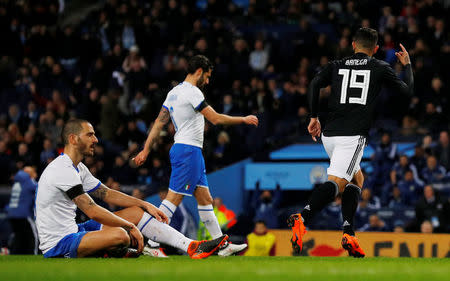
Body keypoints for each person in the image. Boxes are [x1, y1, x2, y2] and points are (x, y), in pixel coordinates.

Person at [288, 27, 413, 258]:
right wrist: (407, 65)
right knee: (337, 182)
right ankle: (303, 217)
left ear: (354, 45)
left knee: (357, 178)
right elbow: (407, 93)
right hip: (352, 137)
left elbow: (315, 84)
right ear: (375, 49)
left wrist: (314, 116)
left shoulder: (336, 65)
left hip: (329, 135)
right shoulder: (379, 67)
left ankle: (349, 232)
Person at [35, 119, 228, 259]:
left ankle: (192, 247)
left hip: (75, 230)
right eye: (90, 134)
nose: (96, 140)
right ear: (73, 139)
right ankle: (121, 251)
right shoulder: (62, 170)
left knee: (136, 213)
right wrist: (130, 227)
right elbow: (92, 210)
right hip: (59, 244)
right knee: (120, 234)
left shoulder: (79, 168)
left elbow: (107, 193)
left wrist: (144, 204)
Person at [133, 55, 258, 257]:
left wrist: (146, 149)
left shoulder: (174, 93)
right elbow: (215, 119)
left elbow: (158, 122)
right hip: (188, 151)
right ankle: (150, 242)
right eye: (207, 76)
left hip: (188, 151)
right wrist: (243, 119)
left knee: (205, 199)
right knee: (173, 199)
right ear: (199, 71)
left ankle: (221, 245)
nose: (208, 81)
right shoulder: (193, 92)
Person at [6, 166, 38, 255]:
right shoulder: (28, 181)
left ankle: (15, 254)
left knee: (19, 237)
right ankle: (34, 254)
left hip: (12, 214)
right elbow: (40, 190)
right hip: (23, 214)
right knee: (33, 236)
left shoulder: (16, 182)